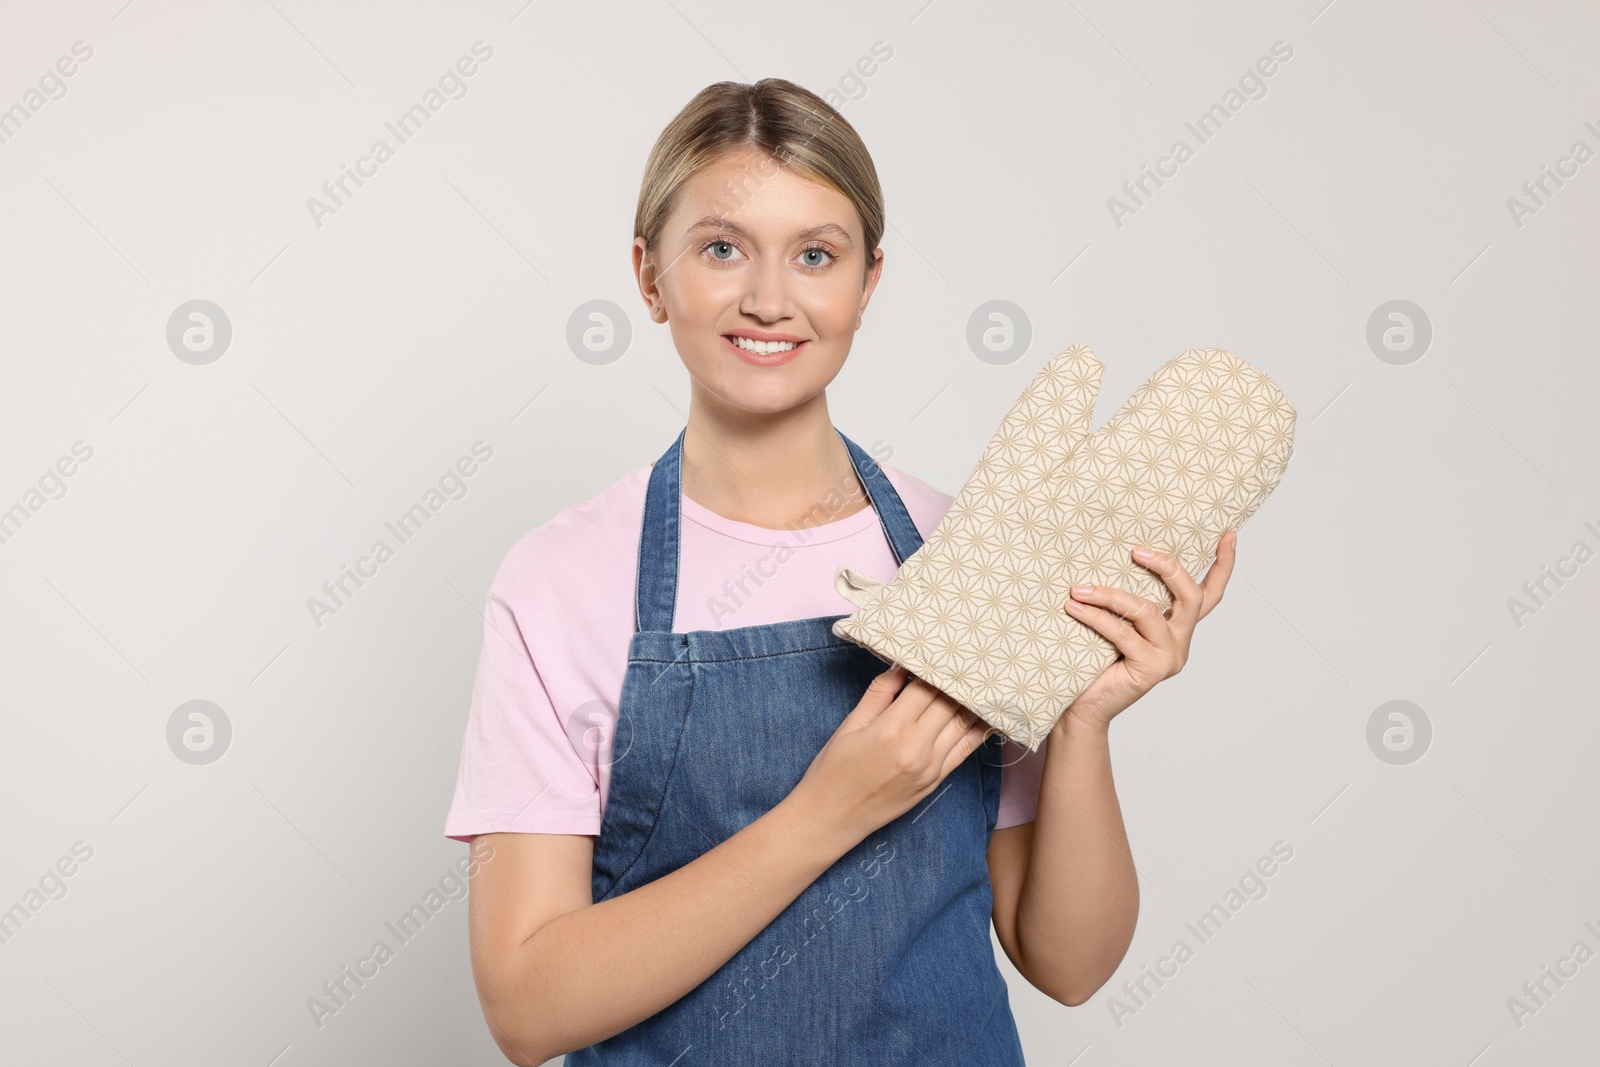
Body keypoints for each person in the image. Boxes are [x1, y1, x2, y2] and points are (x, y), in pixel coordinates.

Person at [444, 77, 1236, 1066]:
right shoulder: (561, 580)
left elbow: (1067, 961)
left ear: (866, 281)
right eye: (721, 247)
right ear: (649, 275)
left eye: (815, 254)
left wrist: (1081, 718)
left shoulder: (972, 547)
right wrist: (826, 812)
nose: (769, 297)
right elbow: (527, 1006)